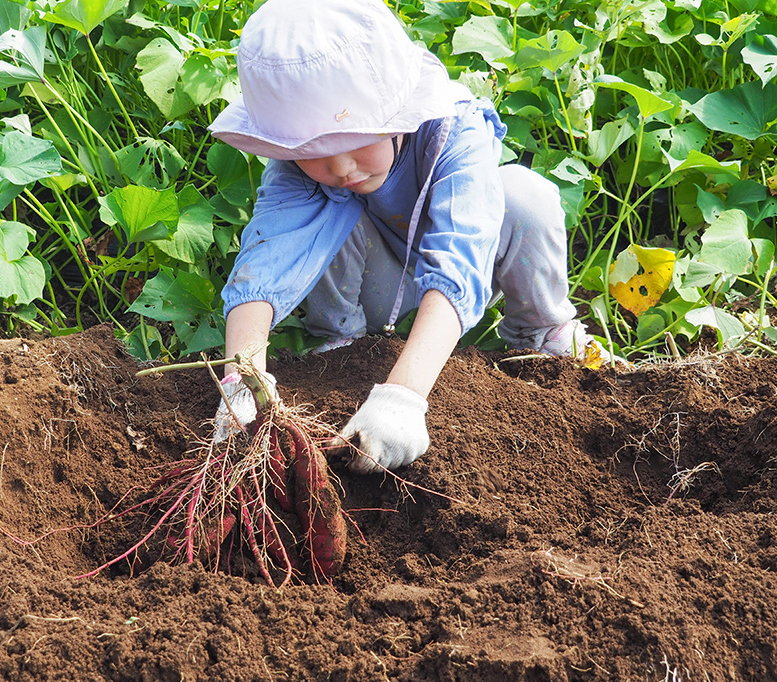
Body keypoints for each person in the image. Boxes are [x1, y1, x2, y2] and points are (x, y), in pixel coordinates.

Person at [207, 0, 608, 474]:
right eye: (316, 152)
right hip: (378, 286)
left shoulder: (453, 132)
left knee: (526, 197)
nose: (340, 168)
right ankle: (343, 350)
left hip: (466, 279)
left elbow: (463, 254)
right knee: (332, 214)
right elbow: (268, 256)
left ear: (399, 114)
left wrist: (403, 396)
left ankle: (542, 336)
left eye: (357, 143)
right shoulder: (300, 170)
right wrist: (242, 378)